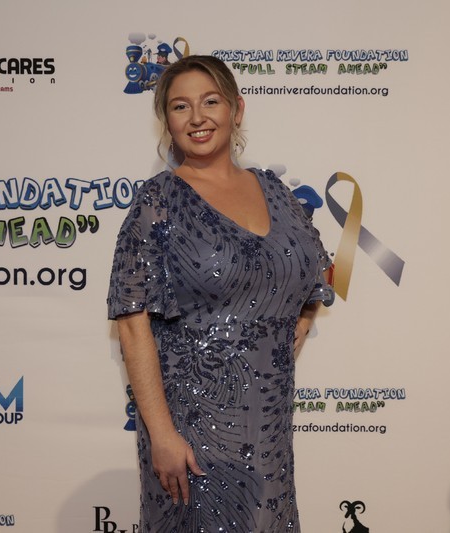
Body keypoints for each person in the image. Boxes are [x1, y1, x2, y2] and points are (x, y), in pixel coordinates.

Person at [107, 55, 334, 532]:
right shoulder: (157, 201)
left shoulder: (275, 191)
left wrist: (301, 318)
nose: (197, 117)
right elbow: (131, 323)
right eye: (180, 106)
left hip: (268, 424)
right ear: (167, 121)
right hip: (189, 431)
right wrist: (162, 435)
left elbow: (314, 268)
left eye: (210, 102)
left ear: (236, 108)